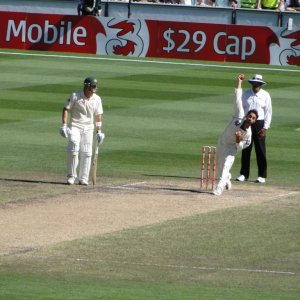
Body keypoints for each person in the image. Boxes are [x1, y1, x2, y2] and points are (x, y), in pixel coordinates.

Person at [213, 74, 258, 196]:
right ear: (246, 115)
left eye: (253, 118)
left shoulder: (248, 134)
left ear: (254, 121)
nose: (250, 118)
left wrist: (238, 140)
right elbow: (238, 98)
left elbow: (241, 147)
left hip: (231, 149)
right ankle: (227, 179)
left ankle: (219, 188)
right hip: (222, 142)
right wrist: (239, 82)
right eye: (250, 116)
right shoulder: (239, 114)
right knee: (219, 166)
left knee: (225, 167)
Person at [59, 77, 105, 185]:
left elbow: (98, 115)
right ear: (87, 86)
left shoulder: (97, 99)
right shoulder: (75, 96)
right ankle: (71, 176)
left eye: (95, 86)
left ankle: (83, 178)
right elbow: (66, 109)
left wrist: (99, 131)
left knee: (87, 152)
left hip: (89, 127)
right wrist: (64, 125)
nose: (95, 88)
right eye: (93, 86)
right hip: (75, 125)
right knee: (74, 147)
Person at [236, 74, 272, 184]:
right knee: (246, 148)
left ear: (261, 85)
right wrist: (240, 123)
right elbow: (240, 108)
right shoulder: (246, 94)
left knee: (260, 150)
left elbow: (268, 112)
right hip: (247, 123)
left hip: (259, 124)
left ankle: (262, 175)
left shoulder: (265, 95)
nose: (256, 85)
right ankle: (244, 174)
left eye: (258, 84)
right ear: (252, 84)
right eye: (254, 83)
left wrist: (265, 127)